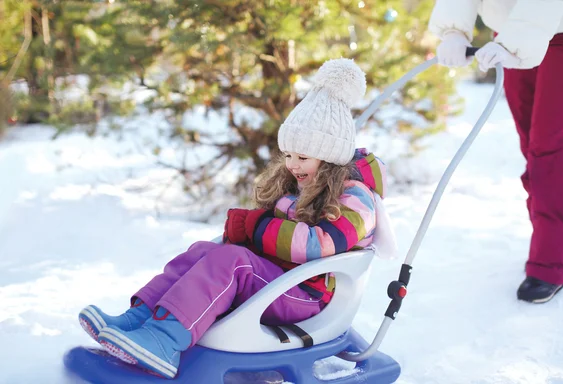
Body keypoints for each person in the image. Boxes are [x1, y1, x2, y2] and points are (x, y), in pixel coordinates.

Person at [77, 58, 388, 379]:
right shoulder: (303, 184)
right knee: (204, 252)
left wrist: (257, 228)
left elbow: (320, 245)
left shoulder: (355, 197)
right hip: (279, 280)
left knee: (234, 262)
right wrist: (245, 231)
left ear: (330, 157)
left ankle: (165, 340)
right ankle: (139, 319)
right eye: (289, 155)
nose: (293, 165)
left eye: (303, 157)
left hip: (308, 294)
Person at [428, 0, 563, 303]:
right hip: (508, 33)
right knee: (531, 142)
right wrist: (453, 29)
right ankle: (546, 234)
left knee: (549, 149)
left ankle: (549, 262)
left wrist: (514, 44)